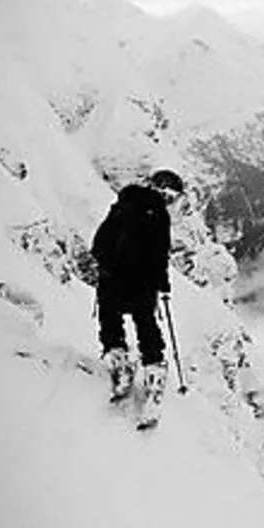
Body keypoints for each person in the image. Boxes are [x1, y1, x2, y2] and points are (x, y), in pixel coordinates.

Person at [91, 169, 185, 402]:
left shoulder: (124, 203)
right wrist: (162, 284)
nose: (171, 201)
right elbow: (159, 254)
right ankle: (153, 366)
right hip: (142, 281)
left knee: (110, 318)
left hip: (111, 276)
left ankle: (117, 357)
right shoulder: (159, 214)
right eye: (172, 197)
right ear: (166, 192)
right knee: (146, 323)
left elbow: (100, 241)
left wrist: (105, 266)